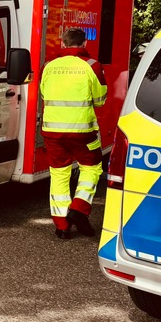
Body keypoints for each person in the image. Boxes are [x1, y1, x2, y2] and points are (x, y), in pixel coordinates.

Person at [40, 27, 107, 239]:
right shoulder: (92, 66)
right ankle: (78, 208)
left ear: (63, 43)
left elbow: (43, 93)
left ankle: (61, 226)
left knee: (59, 173)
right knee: (92, 167)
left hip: (51, 130)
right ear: (84, 43)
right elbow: (100, 99)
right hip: (82, 131)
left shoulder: (49, 66)